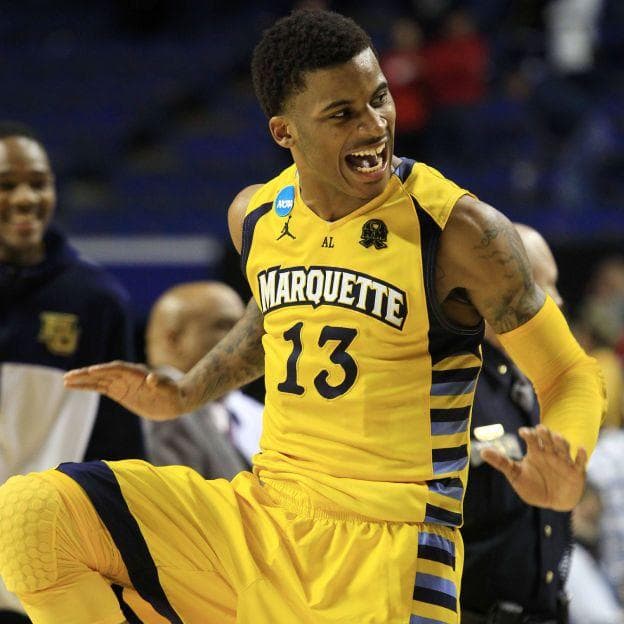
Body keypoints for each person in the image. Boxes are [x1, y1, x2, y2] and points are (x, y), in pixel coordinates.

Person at [0, 10, 605, 624]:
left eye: (379, 98)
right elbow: (274, 317)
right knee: (34, 516)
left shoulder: (457, 230)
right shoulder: (257, 215)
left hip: (391, 546)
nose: (375, 125)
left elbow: (569, 374)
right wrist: (188, 390)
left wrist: (570, 459)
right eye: (342, 114)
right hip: (263, 515)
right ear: (284, 132)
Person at [0, 122, 145, 621]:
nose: (26, 198)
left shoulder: (96, 302)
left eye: (38, 183)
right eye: (6, 185)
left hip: (47, 566)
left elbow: (119, 446)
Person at [461, 224, 571, 624]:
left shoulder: (543, 382)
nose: (558, 300)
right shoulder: (451, 385)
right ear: (496, 290)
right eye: (544, 286)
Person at [143, 281, 263, 476]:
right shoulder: (158, 412)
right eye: (224, 326)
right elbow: (178, 493)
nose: (244, 338)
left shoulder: (255, 412)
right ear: (174, 339)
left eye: (244, 326)